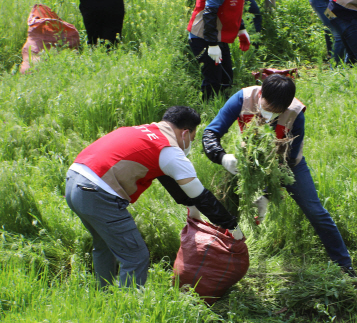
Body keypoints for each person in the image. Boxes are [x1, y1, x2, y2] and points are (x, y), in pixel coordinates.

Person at [65, 106, 242, 288]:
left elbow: (171, 182)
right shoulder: (169, 151)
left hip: (74, 181)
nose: (191, 143)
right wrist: (231, 225)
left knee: (104, 245)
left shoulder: (143, 132)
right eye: (193, 138)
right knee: (136, 257)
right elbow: (202, 196)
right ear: (185, 133)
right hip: (97, 193)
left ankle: (104, 294)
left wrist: (192, 207)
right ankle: (130, 310)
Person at [201, 74, 356, 276]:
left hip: (287, 165)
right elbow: (210, 133)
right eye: (266, 107)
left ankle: (345, 266)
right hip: (248, 160)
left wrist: (267, 193)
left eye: (276, 111)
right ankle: (220, 264)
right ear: (261, 93)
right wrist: (221, 157)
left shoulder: (295, 112)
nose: (268, 114)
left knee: (315, 211)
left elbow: (288, 159)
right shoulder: (243, 98)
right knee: (226, 209)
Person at [187, 0, 251, 100]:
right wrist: (212, 44)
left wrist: (241, 29)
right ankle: (207, 113)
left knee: (226, 79)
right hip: (204, 36)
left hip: (217, 35)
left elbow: (232, 7)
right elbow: (210, 12)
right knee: (213, 81)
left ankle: (221, 109)